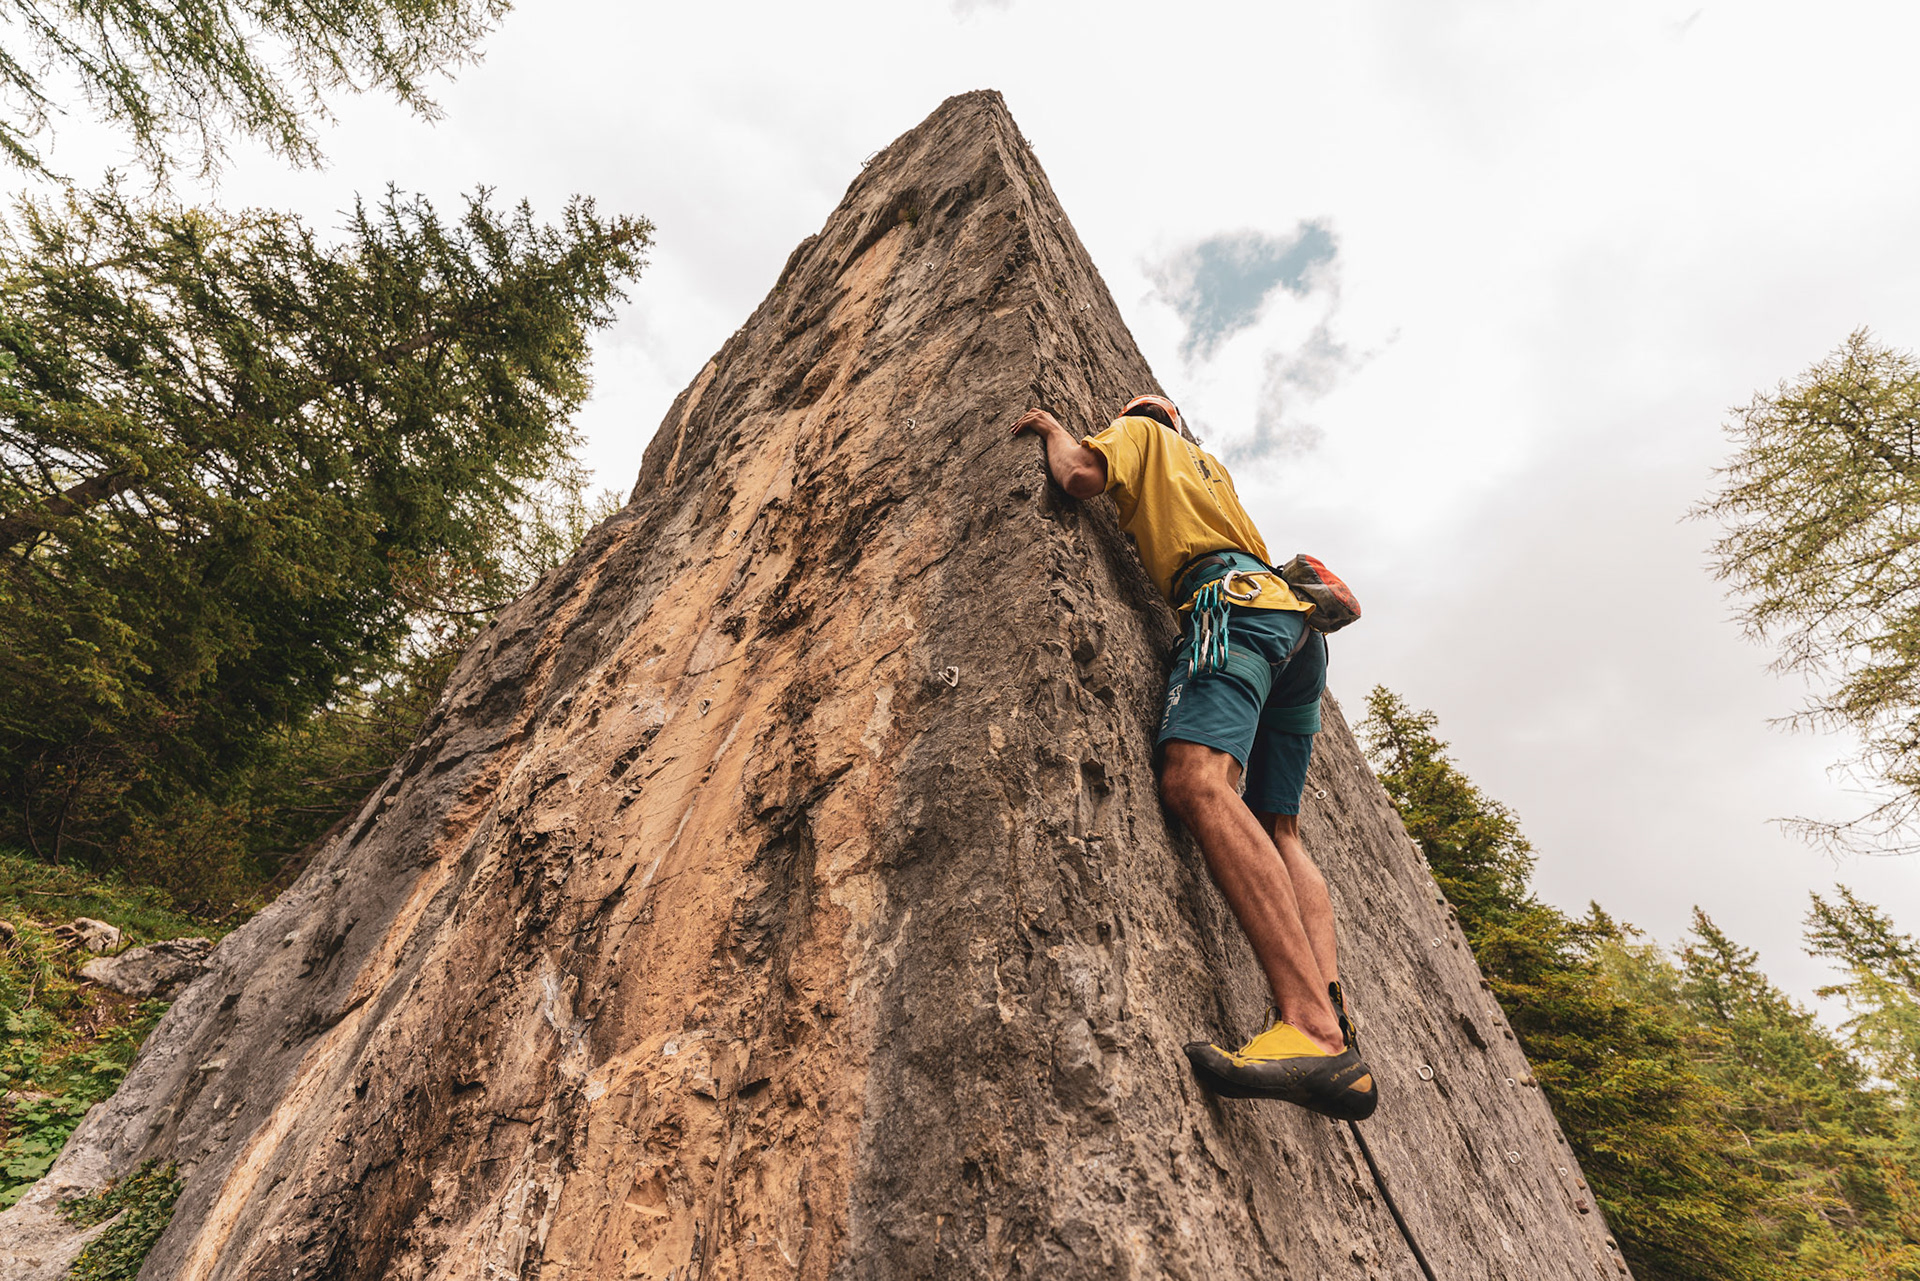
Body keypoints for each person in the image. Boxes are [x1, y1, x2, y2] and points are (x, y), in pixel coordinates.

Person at [1010, 395, 1377, 1122]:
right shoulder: (1212, 469)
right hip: (1294, 630)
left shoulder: (1139, 433)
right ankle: (1332, 1008)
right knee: (1281, 828)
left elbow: (1080, 476)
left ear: (1146, 416)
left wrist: (1053, 428)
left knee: (1197, 782)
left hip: (1230, 609)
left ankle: (1313, 1029)